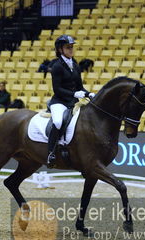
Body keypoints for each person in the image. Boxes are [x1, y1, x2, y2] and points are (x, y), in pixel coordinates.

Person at [47, 34, 94, 168]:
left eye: (72, 47)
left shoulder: (75, 64)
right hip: (59, 102)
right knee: (57, 121)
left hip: (73, 102)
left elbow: (79, 86)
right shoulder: (57, 66)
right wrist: (74, 93)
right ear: (60, 50)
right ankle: (51, 153)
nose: (71, 50)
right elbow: (57, 89)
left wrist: (88, 93)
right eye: (68, 47)